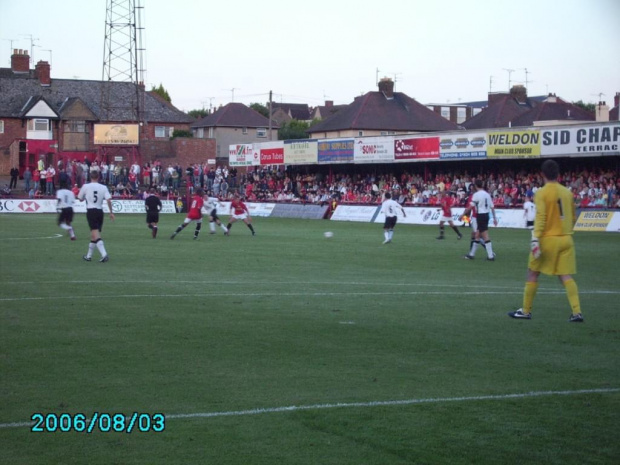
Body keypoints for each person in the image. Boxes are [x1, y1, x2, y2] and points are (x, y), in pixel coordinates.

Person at [509, 160, 583, 323]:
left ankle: (526, 311)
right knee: (565, 275)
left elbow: (541, 217)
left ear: (542, 174)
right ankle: (577, 312)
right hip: (566, 239)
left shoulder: (542, 193)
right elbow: (573, 217)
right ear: (558, 174)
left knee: (533, 272)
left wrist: (535, 238)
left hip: (548, 240)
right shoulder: (567, 192)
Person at [78, 169, 114, 262]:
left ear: (90, 177)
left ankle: (104, 254)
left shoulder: (86, 186)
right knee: (94, 235)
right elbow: (109, 200)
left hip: (91, 211)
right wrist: (111, 212)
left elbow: (80, 198)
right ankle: (88, 256)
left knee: (96, 234)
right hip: (99, 212)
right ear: (98, 177)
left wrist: (85, 197)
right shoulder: (103, 187)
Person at [461, 179, 497, 260]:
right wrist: (494, 218)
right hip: (486, 215)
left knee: (484, 236)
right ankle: (472, 254)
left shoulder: (476, 195)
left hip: (480, 216)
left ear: (476, 186)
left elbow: (470, 207)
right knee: (477, 235)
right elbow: (492, 207)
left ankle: (491, 256)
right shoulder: (487, 194)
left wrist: (462, 215)